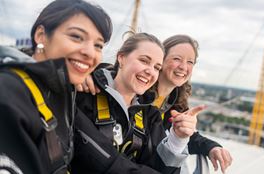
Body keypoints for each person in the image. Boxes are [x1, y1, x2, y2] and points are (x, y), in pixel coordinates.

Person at [0, 0, 112, 173]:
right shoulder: (8, 94)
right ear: (41, 35)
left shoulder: (63, 91)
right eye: (76, 36)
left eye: (98, 45)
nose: (90, 52)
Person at [71, 32, 205, 173]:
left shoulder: (150, 116)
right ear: (121, 58)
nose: (150, 71)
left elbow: (160, 169)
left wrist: (178, 140)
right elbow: (96, 156)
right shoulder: (85, 93)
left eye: (157, 67)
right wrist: (80, 75)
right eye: (144, 61)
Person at [150, 34, 233, 173]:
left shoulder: (174, 102)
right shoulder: (140, 96)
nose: (183, 67)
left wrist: (212, 147)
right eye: (177, 59)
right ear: (161, 59)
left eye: (190, 62)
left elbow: (184, 135)